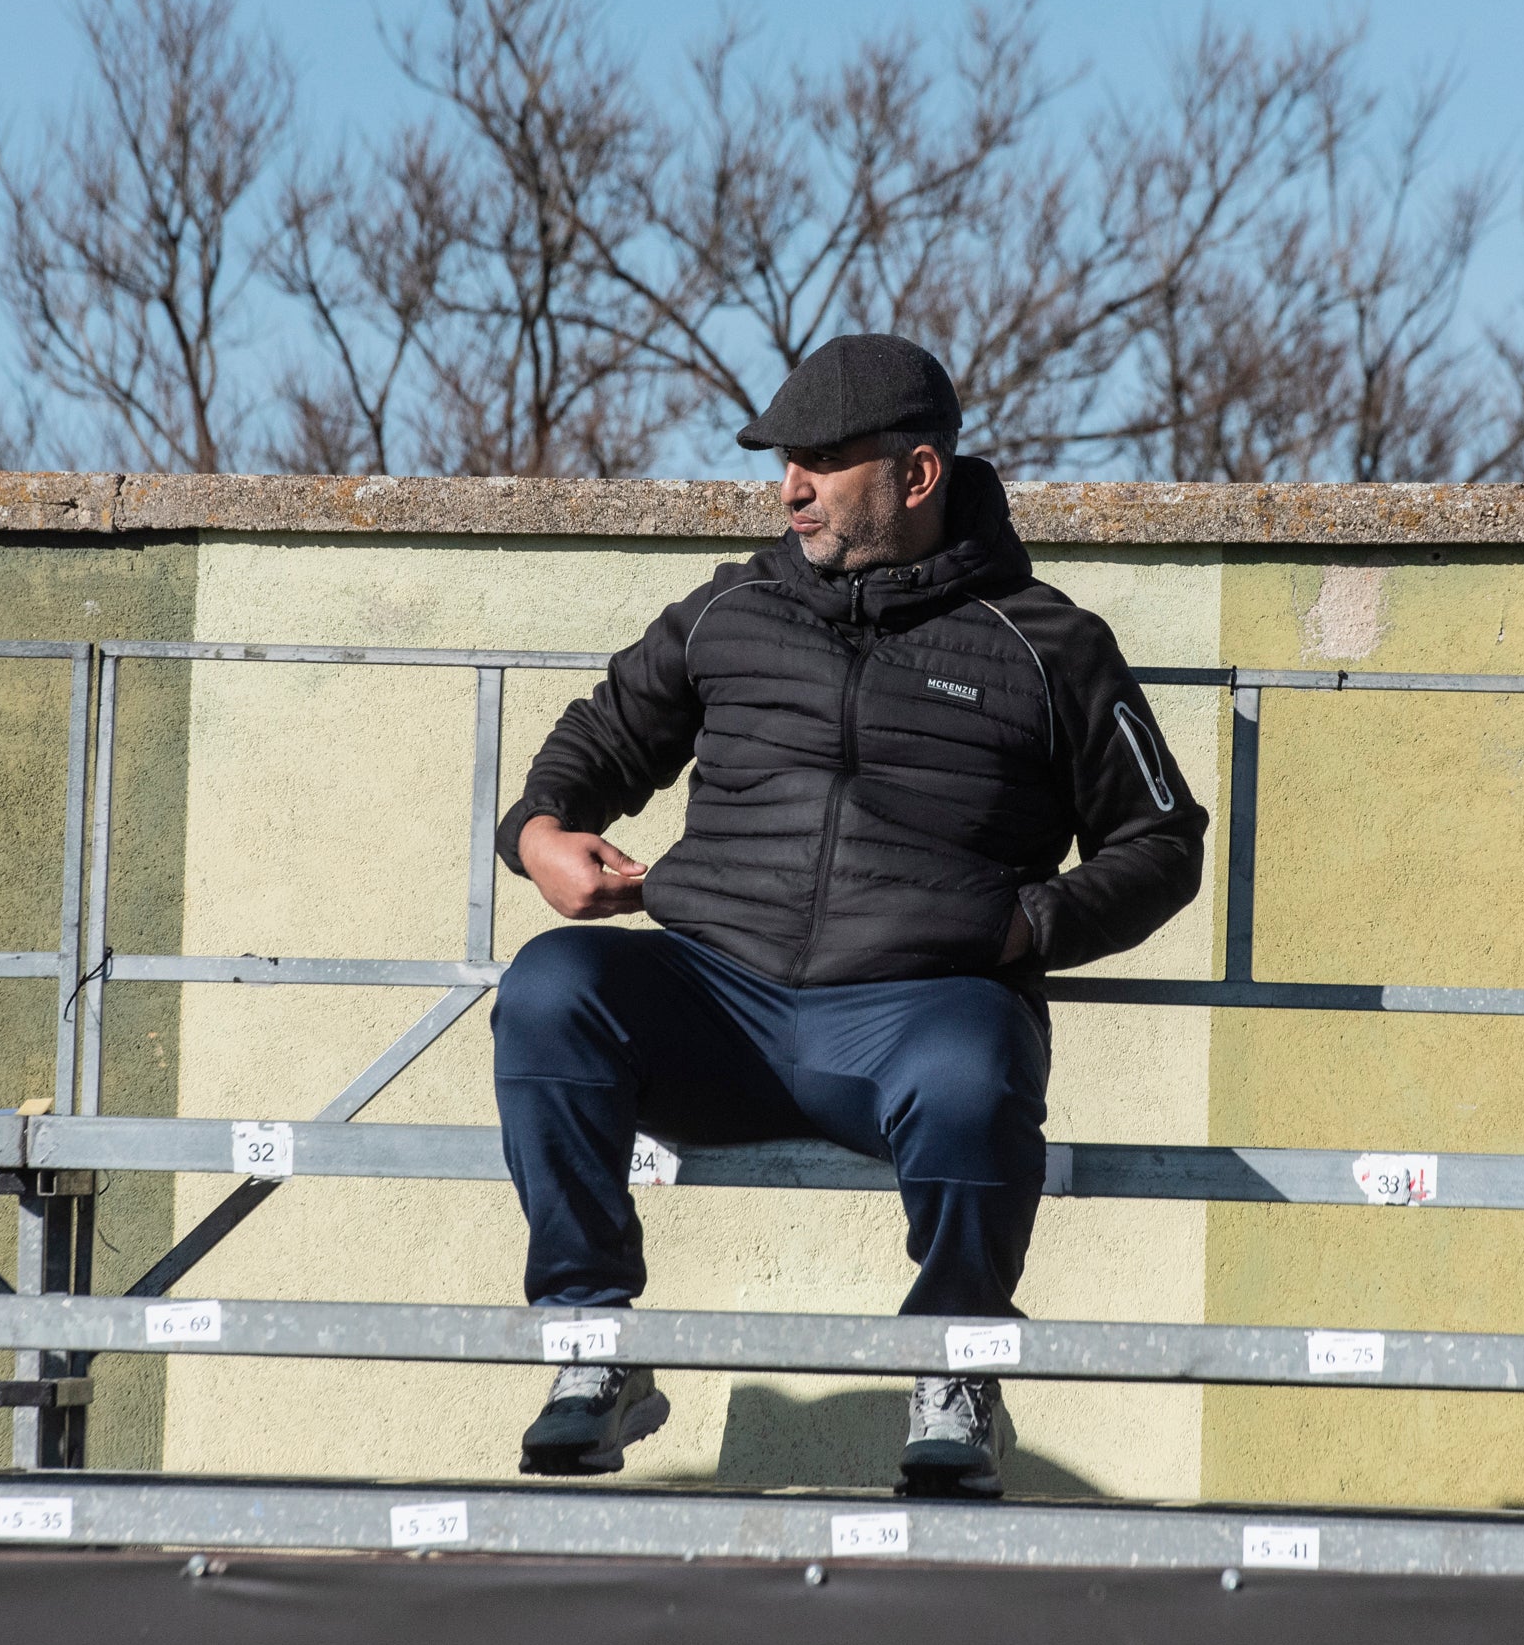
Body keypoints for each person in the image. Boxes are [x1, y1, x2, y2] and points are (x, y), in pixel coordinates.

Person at [490, 335, 1207, 1498]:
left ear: (915, 476)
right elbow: (602, 733)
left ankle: (953, 1367)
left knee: (976, 1063)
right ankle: (592, 1345)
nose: (789, 487)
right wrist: (538, 831)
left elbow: (1161, 841)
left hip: (911, 1018)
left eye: (821, 461)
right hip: (715, 1002)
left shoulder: (1049, 642)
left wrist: (1029, 924)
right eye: (785, 461)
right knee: (551, 984)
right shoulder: (731, 608)